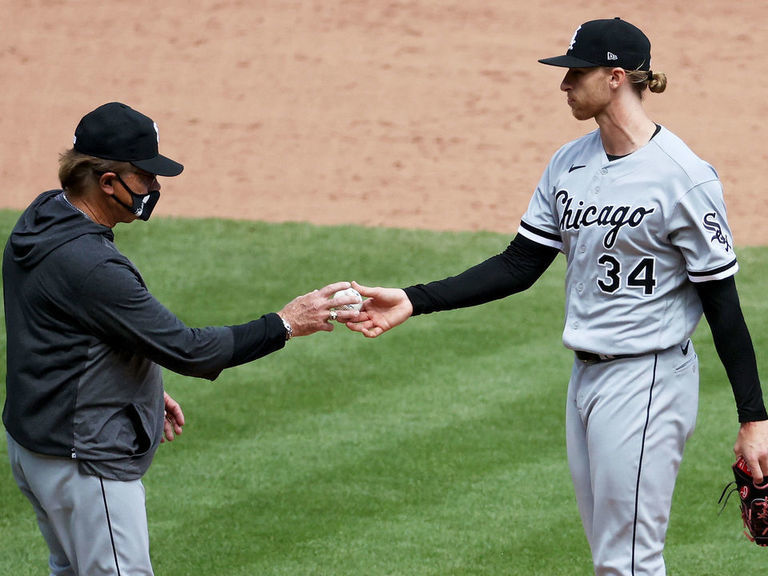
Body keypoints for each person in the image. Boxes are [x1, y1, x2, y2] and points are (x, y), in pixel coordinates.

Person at [346, 17, 768, 575]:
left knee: (631, 563)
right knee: (611, 559)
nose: (564, 84)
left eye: (576, 72)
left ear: (616, 77)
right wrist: (413, 299)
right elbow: (519, 265)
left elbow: (722, 303)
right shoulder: (569, 163)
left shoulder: (683, 178)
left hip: (646, 381)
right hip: (586, 382)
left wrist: (754, 417)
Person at [2, 101, 361, 576]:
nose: (155, 187)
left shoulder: (44, 216)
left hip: (37, 448)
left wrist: (135, 384)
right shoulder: (90, 265)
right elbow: (190, 350)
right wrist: (287, 322)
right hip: (84, 461)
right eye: (145, 176)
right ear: (107, 182)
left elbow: (60, 332)